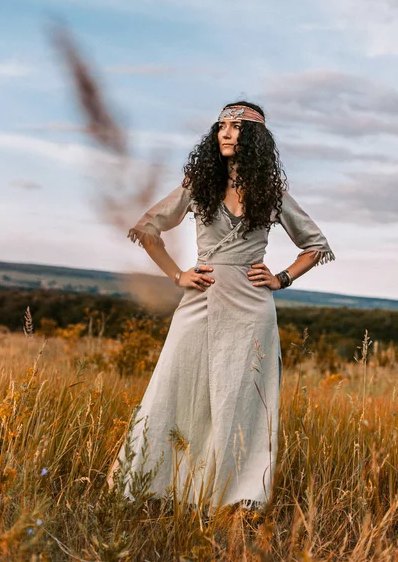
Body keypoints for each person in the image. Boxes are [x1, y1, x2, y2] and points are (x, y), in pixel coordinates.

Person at [106, 101, 335, 511]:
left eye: (236, 127)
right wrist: (177, 276)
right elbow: (148, 228)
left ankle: (234, 496)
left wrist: (282, 278)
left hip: (252, 308)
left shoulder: (273, 192)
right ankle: (157, 487)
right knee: (175, 390)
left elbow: (315, 246)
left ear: (255, 139)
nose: (225, 133)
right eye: (221, 127)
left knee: (242, 400)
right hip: (200, 300)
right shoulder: (200, 184)